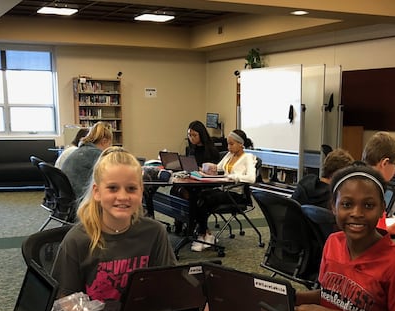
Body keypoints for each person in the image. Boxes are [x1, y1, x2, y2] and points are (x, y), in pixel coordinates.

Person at [295, 163, 395, 311]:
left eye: (369, 206)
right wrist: (291, 296)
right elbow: (332, 295)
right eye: (347, 204)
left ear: (381, 209)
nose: (357, 213)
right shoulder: (333, 242)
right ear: (334, 207)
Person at [52, 147, 177, 300]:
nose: (123, 196)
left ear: (141, 191)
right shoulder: (77, 240)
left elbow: (169, 286)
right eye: (113, 188)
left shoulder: (155, 232)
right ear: (97, 192)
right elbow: (64, 302)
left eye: (131, 189)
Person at [192, 129, 258, 252]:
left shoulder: (247, 157)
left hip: (235, 194)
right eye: (228, 144)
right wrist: (206, 169)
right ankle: (205, 233)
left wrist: (234, 177)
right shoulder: (229, 155)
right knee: (198, 196)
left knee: (205, 199)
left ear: (240, 144)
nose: (228, 147)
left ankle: (203, 235)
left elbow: (251, 178)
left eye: (231, 144)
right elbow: (218, 168)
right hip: (223, 189)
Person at [61, 122, 113, 201]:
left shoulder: (80, 151)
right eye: (110, 144)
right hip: (81, 201)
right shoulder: (96, 154)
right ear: (104, 141)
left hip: (68, 198)